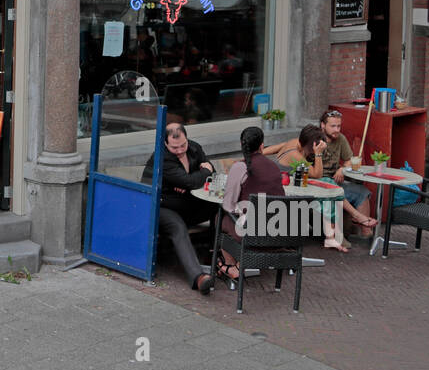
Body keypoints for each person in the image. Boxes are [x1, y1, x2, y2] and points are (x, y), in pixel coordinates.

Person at [141, 117, 218, 295]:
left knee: (218, 208)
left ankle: (215, 256)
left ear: (186, 139)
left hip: (186, 204)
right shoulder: (162, 159)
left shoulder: (194, 148)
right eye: (174, 147)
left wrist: (201, 175)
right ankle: (198, 277)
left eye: (182, 145)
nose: (179, 150)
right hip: (160, 207)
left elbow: (209, 170)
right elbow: (193, 180)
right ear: (165, 143)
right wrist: (203, 172)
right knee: (177, 227)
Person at [218, 126, 285, 281]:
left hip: (252, 235)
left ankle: (232, 266)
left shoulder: (240, 167)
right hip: (278, 233)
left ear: (242, 145)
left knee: (221, 219)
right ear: (262, 146)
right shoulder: (274, 167)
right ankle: (238, 265)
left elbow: (228, 205)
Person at [272, 124, 350, 252]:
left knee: (328, 185)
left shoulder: (295, 143)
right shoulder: (295, 155)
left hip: (294, 187)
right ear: (312, 146)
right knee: (325, 189)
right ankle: (334, 235)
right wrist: (318, 154)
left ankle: (332, 236)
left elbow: (277, 148)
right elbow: (317, 175)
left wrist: (259, 152)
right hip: (287, 194)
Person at [316, 110, 378, 237]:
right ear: (323, 125)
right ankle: (357, 219)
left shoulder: (340, 138)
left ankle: (367, 233)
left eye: (339, 126)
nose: (337, 129)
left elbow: (350, 160)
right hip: (319, 183)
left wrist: (341, 169)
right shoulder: (315, 139)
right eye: (333, 126)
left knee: (362, 192)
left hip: (336, 180)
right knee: (336, 190)